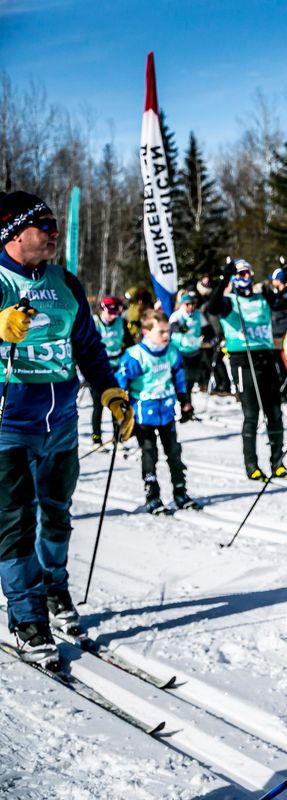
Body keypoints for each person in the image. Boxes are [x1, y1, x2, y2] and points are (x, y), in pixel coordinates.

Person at [0, 191, 133, 667]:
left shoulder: (65, 283)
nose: (54, 234)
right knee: (15, 520)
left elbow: (89, 347)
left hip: (60, 420)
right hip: (8, 424)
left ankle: (55, 589)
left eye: (57, 225)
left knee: (56, 512)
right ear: (14, 232)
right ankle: (26, 615)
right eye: (45, 226)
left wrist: (110, 392)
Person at [205, 258, 287, 482]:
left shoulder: (263, 297)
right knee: (252, 415)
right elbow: (211, 307)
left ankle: (277, 462)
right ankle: (251, 464)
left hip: (265, 357)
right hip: (243, 360)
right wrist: (224, 277)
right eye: (240, 274)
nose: (245, 278)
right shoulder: (228, 301)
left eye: (247, 274)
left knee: (275, 413)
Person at [118, 310, 196, 514]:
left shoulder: (171, 351)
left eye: (168, 331)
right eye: (161, 332)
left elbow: (179, 377)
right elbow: (120, 384)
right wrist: (121, 411)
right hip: (144, 413)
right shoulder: (135, 355)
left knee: (174, 453)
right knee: (149, 454)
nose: (166, 336)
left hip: (167, 411)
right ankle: (153, 496)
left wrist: (185, 401)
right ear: (146, 332)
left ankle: (180, 492)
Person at [91, 295, 136, 442]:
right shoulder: (94, 322)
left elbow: (129, 345)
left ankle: (117, 437)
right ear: (102, 309)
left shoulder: (121, 323)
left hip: (116, 370)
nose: (112, 316)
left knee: (116, 404)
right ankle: (96, 437)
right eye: (109, 312)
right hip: (98, 370)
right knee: (98, 406)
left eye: (115, 312)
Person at [169, 292, 205, 421]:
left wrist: (213, 337)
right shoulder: (177, 315)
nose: (190, 306)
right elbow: (172, 327)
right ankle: (184, 409)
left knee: (191, 381)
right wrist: (180, 328)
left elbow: (206, 328)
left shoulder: (198, 315)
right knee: (183, 382)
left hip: (194, 351)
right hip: (180, 352)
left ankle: (188, 408)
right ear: (182, 305)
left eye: (192, 304)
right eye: (187, 304)